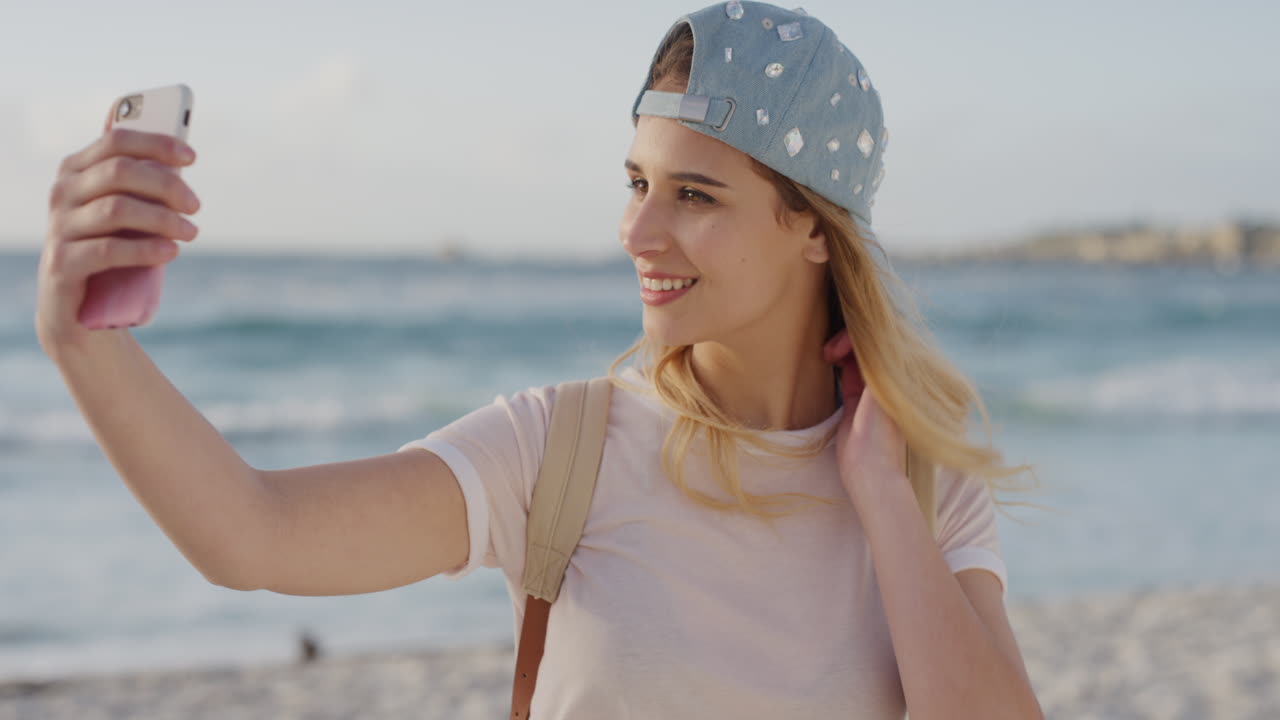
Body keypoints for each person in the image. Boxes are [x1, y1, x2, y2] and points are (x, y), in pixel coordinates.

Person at [34, 2, 1042, 717]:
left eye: (693, 195)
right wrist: (78, 339)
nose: (636, 231)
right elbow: (254, 536)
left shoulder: (921, 487)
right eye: (635, 182)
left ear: (811, 228)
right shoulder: (560, 451)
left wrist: (876, 491)